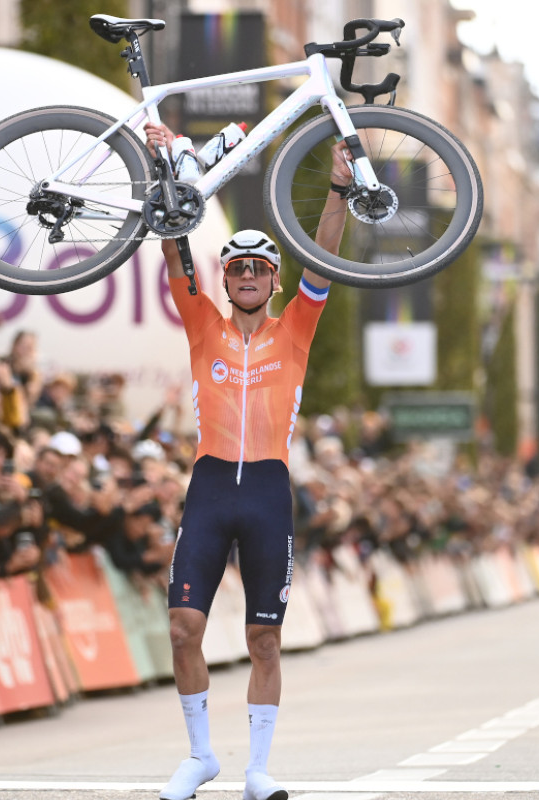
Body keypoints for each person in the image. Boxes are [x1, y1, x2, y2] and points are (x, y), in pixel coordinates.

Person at [144, 121, 350, 800]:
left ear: (273, 278)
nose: (249, 276)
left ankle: (257, 769)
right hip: (208, 488)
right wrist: (163, 174)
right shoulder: (203, 323)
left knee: (265, 639)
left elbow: (323, 259)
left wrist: (340, 189)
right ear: (226, 278)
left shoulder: (296, 327)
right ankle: (201, 756)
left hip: (267, 491)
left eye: (260, 268)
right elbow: (174, 248)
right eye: (237, 267)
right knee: (183, 629)